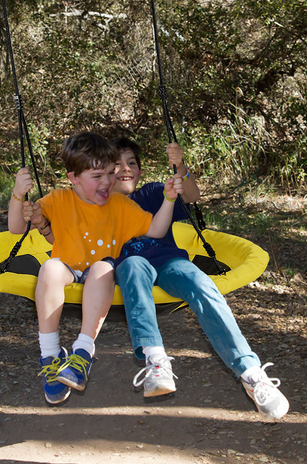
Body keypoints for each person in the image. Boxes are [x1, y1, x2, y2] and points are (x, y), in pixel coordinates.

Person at [111, 137, 289, 420]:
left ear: (141, 171)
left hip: (169, 261)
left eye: (131, 163)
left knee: (201, 283)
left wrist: (181, 166)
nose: (125, 169)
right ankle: (157, 362)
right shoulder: (95, 206)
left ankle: (252, 375)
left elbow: (191, 196)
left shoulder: (155, 193)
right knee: (133, 265)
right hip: (131, 269)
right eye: (116, 164)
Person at [8, 131, 183, 405]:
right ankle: (50, 355)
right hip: (68, 268)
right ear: (73, 178)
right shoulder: (57, 200)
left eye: (110, 174)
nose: (107, 182)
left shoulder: (121, 205)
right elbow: (16, 228)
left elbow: (156, 230)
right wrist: (19, 194)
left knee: (103, 268)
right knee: (50, 267)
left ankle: (82, 353)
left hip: (100, 273)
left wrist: (169, 199)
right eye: (97, 176)